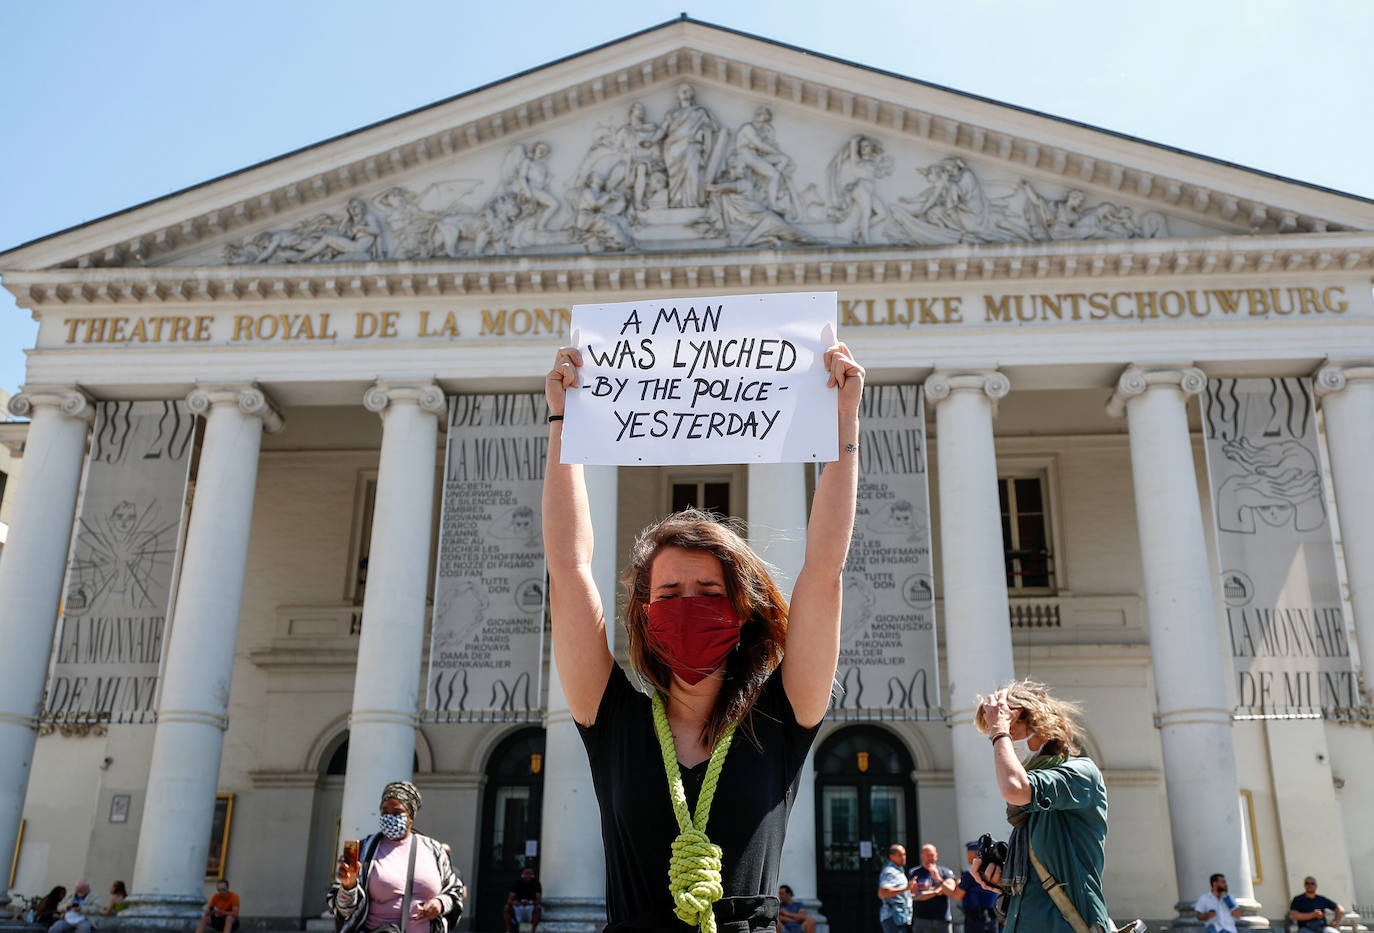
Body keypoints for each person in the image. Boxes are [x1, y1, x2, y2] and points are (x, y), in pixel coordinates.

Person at [543, 339, 863, 933]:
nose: (688, 607)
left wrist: (843, 426)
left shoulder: (781, 719)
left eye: (710, 593)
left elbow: (823, 572)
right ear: (643, 615)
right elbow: (569, 568)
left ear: (742, 610)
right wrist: (565, 423)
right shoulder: (614, 721)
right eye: (668, 594)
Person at [972, 681, 1109, 933]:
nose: (1005, 743)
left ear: (1043, 728)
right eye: (1001, 734)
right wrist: (1004, 876)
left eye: (1012, 730)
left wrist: (999, 730)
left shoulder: (1080, 773)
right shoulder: (1025, 808)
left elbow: (1015, 788)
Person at [329, 781, 465, 933]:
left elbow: (455, 891)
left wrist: (440, 903)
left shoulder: (433, 850)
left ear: (411, 817)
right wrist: (348, 887)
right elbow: (342, 910)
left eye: (396, 812)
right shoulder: (365, 851)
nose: (389, 817)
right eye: (384, 812)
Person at [907, 844, 956, 933]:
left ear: (936, 855)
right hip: (921, 919)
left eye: (932, 855)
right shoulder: (914, 873)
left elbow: (951, 891)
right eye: (927, 855)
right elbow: (915, 895)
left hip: (942, 919)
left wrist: (939, 879)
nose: (930, 858)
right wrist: (937, 891)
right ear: (922, 856)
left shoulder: (945, 872)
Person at [952, 842, 999, 933]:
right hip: (993, 918)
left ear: (975, 854)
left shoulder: (970, 873)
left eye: (968, 854)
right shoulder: (994, 869)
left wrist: (943, 884)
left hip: (975, 919)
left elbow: (957, 896)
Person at [878, 844, 913, 933]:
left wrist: (910, 892)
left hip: (901, 917)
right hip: (892, 918)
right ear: (891, 857)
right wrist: (905, 889)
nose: (903, 857)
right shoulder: (890, 872)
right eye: (900, 855)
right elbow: (882, 893)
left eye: (904, 854)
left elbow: (900, 894)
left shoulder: (899, 871)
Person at [504, 866, 542, 933]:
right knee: (506, 908)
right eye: (526, 873)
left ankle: (533, 930)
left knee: (537, 909)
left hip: (531, 907)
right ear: (522, 874)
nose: (528, 875)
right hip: (519, 907)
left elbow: (538, 900)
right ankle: (508, 930)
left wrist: (531, 902)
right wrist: (514, 902)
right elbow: (509, 900)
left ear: (532, 875)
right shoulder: (517, 883)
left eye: (529, 873)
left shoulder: (536, 883)